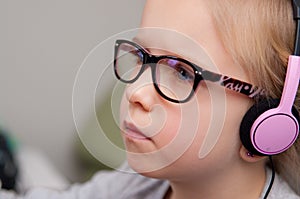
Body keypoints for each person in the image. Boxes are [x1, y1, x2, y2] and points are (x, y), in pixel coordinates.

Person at [1, 0, 299, 198]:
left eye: (182, 72)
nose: (135, 92)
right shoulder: (142, 182)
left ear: (267, 121)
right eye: (141, 57)